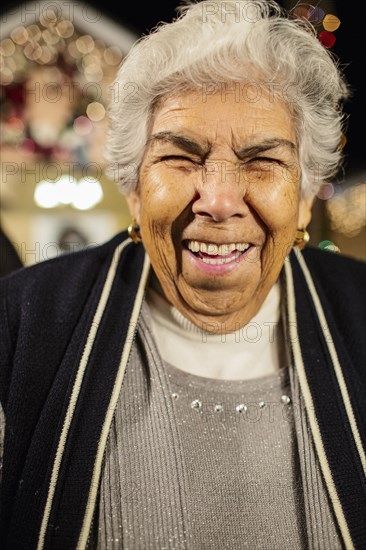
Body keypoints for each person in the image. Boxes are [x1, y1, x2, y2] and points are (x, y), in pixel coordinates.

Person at [0, 1, 365, 548]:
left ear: (307, 196)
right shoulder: (18, 323)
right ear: (134, 188)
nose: (218, 201)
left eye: (262, 160)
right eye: (181, 158)